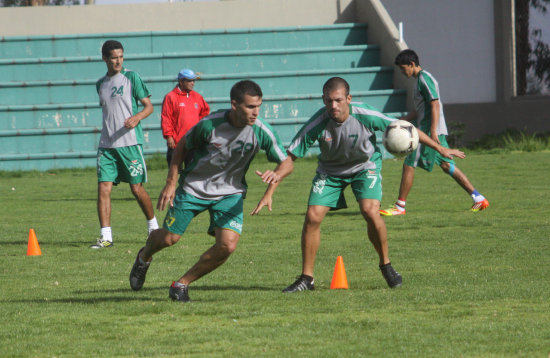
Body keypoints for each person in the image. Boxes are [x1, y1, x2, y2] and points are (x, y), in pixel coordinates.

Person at [282, 77, 465, 292]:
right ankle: (307, 279)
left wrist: (440, 148)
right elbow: (291, 155)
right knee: (312, 216)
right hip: (331, 171)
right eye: (329, 101)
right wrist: (272, 185)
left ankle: (385, 264)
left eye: (338, 100)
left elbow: (407, 128)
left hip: (364, 166)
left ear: (348, 99)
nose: (333, 106)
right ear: (323, 100)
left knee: (370, 211)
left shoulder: (366, 115)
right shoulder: (318, 121)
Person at [129, 80, 294, 302]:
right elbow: (182, 146)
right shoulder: (210, 124)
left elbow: (287, 162)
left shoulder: (261, 130)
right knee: (169, 239)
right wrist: (171, 181)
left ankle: (181, 284)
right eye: (250, 107)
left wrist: (277, 175)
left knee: (227, 245)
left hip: (230, 192)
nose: (256, 112)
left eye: (258, 106)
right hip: (194, 188)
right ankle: (144, 256)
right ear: (234, 105)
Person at [380, 49, 489, 216]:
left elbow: (435, 104)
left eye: (403, 69)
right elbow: (420, 110)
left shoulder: (424, 79)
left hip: (428, 131)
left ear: (412, 64)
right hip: (432, 130)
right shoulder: (419, 81)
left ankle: (400, 207)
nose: (402, 73)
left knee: (409, 163)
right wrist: (402, 121)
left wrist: (432, 131)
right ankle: (478, 198)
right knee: (447, 165)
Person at [90, 40, 159, 249]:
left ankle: (153, 228)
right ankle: (106, 237)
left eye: (121, 56)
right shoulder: (100, 84)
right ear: (105, 59)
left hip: (129, 144)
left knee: (136, 189)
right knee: (103, 188)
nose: (118, 61)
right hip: (107, 145)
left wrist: (136, 118)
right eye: (114, 57)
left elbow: (149, 107)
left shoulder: (131, 77)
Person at [161, 68, 210, 166]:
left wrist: (201, 132)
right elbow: (166, 118)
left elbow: (205, 114)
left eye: (193, 80)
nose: (193, 83)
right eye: (189, 80)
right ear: (181, 81)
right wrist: (169, 136)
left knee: (192, 173)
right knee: (174, 172)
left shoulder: (197, 97)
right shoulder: (170, 97)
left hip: (193, 143)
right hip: (176, 143)